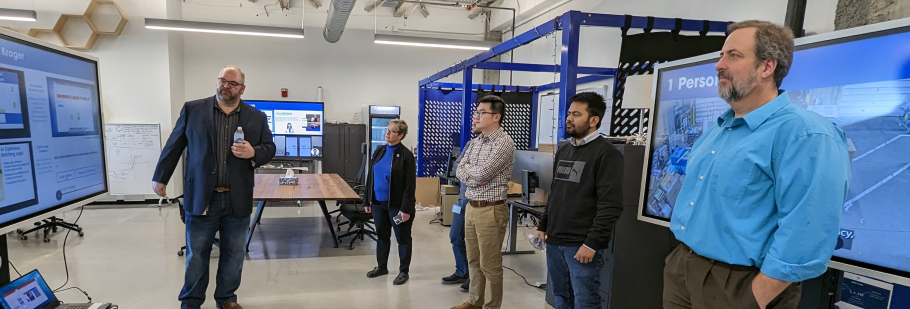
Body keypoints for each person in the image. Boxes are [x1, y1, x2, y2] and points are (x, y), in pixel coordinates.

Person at [663, 21, 851, 309]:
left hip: (739, 285)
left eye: (733, 56)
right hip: (684, 269)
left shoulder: (806, 134)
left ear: (767, 67)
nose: (718, 66)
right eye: (721, 55)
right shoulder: (719, 129)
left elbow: (807, 231)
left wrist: (756, 296)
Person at [152, 66, 276, 309]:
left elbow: (269, 148)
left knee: (234, 254)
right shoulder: (193, 109)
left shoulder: (256, 117)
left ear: (242, 88)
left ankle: (227, 299)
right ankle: (191, 302)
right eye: (222, 81)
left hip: (237, 198)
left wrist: (254, 153)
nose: (225, 86)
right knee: (197, 254)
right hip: (202, 196)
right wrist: (161, 177)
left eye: (231, 83)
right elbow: (174, 144)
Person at [533, 92, 624, 309]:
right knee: (562, 298)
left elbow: (611, 205)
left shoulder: (606, 154)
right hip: (555, 241)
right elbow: (555, 192)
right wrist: (543, 227)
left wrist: (591, 243)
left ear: (594, 120)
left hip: (581, 245)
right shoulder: (565, 149)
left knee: (586, 302)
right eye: (569, 113)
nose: (569, 118)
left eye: (576, 114)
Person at [451, 95, 515, 309]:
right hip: (471, 207)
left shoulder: (504, 143)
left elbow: (483, 173)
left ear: (496, 117)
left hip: (491, 210)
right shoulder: (475, 142)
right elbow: (460, 169)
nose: (476, 116)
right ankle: (475, 301)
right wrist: (474, 175)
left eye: (481, 112)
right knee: (474, 261)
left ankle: (491, 306)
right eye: (476, 112)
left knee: (490, 265)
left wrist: (474, 175)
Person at [363, 119, 417, 286]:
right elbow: (370, 177)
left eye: (392, 131)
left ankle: (403, 271)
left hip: (397, 206)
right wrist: (367, 199)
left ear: (400, 135)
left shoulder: (406, 156)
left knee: (403, 239)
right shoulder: (379, 151)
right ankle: (382, 267)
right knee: (382, 236)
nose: (387, 133)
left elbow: (410, 186)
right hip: (378, 204)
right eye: (387, 130)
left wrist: (405, 209)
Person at [442, 149, 470, 292]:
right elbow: (456, 166)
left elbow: (483, 174)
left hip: (477, 200)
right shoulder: (471, 144)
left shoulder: (499, 144)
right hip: (462, 199)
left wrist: (466, 170)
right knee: (455, 236)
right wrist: (469, 171)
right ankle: (462, 272)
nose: (474, 124)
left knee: (474, 242)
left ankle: (474, 277)